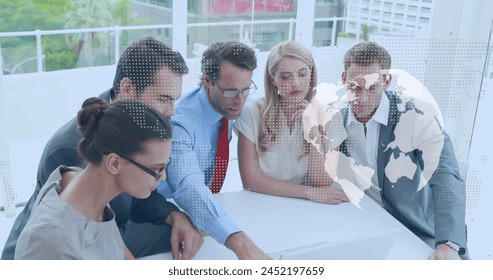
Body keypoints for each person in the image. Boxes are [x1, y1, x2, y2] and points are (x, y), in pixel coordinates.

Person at [2, 37, 203, 260]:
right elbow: (103, 237)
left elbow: (137, 192)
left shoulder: (135, 136)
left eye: (175, 100)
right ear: (127, 88)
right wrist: (179, 232)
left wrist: (174, 215)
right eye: (164, 98)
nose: (172, 111)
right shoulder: (72, 149)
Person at [337, 41, 468, 260]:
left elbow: (446, 176)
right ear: (344, 79)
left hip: (417, 228)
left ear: (386, 81)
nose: (362, 98)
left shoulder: (416, 115)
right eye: (354, 87)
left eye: (372, 87)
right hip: (366, 224)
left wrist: (448, 243)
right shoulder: (338, 121)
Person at [15, 98, 172, 259]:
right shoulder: (51, 240)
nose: (164, 176)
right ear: (114, 163)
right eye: (156, 169)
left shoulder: (87, 189)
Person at [159, 41, 270, 259]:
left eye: (246, 90)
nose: (239, 101)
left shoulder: (228, 105)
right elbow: (189, 186)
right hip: (171, 215)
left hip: (209, 211)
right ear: (208, 82)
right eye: (230, 91)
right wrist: (239, 241)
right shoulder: (181, 124)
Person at [234, 40, 349, 204]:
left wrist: (313, 130)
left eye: (302, 74)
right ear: (273, 79)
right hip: (260, 204)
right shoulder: (251, 113)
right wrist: (309, 193)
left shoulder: (330, 116)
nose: (296, 83)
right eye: (286, 76)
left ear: (311, 73)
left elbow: (322, 181)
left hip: (305, 209)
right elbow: (250, 180)